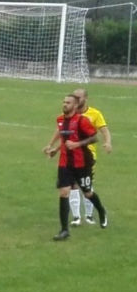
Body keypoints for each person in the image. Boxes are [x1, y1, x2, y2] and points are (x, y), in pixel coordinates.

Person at [45, 94, 106, 240]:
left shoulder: (81, 121)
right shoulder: (60, 120)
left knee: (87, 193)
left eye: (68, 102)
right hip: (65, 163)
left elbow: (94, 138)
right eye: (64, 102)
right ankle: (64, 230)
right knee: (64, 192)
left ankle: (102, 212)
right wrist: (55, 150)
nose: (64, 104)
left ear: (74, 105)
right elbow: (65, 139)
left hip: (82, 163)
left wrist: (77, 144)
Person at [69, 88, 113, 226]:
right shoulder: (70, 112)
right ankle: (76, 217)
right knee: (73, 185)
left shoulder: (95, 114)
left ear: (85, 98)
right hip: (72, 154)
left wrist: (107, 142)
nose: (76, 100)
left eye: (79, 97)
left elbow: (104, 130)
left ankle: (89, 215)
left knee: (87, 186)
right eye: (74, 97)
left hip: (88, 156)